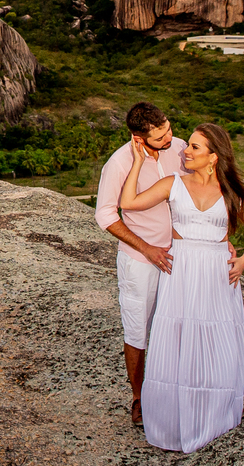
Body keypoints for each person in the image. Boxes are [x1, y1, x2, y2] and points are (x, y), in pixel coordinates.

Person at [119, 123, 244, 453]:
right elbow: (128, 203)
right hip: (180, 269)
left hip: (216, 273)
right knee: (178, 340)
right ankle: (174, 417)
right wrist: (138, 161)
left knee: (214, 341)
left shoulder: (232, 194)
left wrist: (242, 263)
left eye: (195, 147)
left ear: (214, 157)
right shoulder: (173, 184)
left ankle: (213, 416)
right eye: (189, 145)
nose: (186, 150)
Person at [94, 102, 189, 427]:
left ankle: (173, 389)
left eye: (169, 129)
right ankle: (138, 398)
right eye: (161, 136)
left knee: (178, 325)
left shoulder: (179, 148)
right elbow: (105, 214)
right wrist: (147, 248)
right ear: (138, 137)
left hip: (180, 254)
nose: (170, 138)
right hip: (140, 261)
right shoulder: (119, 163)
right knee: (138, 330)